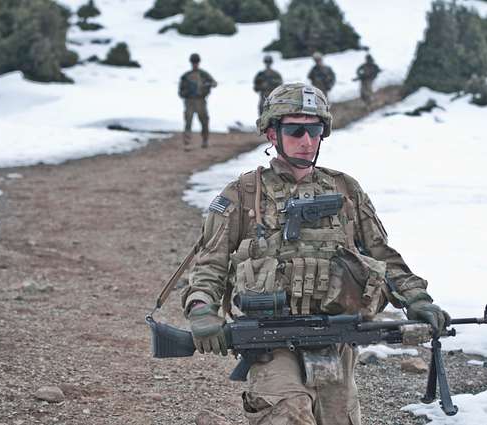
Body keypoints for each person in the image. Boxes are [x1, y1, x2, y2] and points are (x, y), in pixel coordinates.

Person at [180, 82, 450, 425]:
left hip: (334, 337)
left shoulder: (345, 189)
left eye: (314, 130)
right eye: (295, 130)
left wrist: (417, 299)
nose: (307, 141)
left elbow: (382, 255)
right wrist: (202, 308)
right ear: (271, 134)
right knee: (287, 413)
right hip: (270, 338)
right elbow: (210, 263)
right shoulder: (242, 195)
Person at [178, 53, 218, 148]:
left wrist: (207, 85)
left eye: (196, 62)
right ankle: (187, 142)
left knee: (204, 121)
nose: (195, 64)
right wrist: (187, 92)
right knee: (188, 121)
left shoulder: (203, 74)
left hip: (201, 101)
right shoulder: (186, 76)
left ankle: (205, 140)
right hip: (190, 101)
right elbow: (180, 92)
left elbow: (214, 83)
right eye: (193, 62)